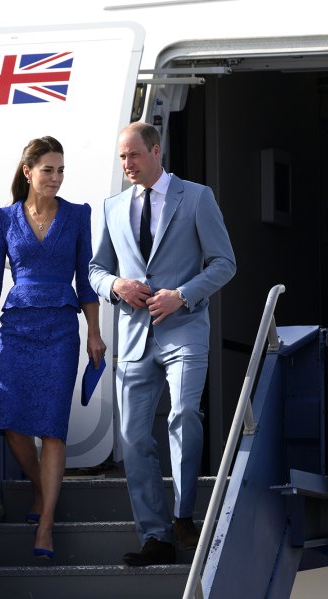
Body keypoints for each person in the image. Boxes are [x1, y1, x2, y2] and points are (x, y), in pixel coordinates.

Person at [89, 122, 236, 566]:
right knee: (133, 438)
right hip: (134, 338)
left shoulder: (197, 197)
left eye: (133, 155)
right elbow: (95, 269)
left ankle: (183, 515)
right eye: (121, 158)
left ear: (156, 151)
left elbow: (225, 263)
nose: (126, 164)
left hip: (185, 328)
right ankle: (155, 536)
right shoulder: (113, 207)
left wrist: (182, 295)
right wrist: (117, 285)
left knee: (184, 413)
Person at [0, 136, 106, 561]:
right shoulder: (5, 217)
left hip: (61, 326)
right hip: (18, 325)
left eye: (61, 170)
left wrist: (94, 332)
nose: (56, 178)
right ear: (28, 171)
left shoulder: (78, 215)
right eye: (48, 170)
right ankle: (41, 490)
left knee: (53, 427)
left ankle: (45, 526)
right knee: (13, 422)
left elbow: (85, 280)